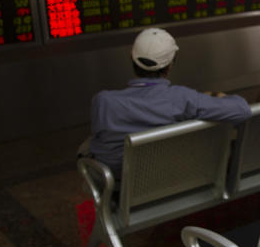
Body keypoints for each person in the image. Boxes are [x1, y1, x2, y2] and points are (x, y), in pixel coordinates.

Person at [87, 27, 251, 178]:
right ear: (170, 65)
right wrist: (217, 96)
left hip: (121, 189)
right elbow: (242, 109)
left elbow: (102, 148)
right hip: (170, 180)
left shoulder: (103, 102)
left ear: (131, 57)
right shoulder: (181, 99)